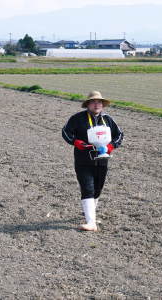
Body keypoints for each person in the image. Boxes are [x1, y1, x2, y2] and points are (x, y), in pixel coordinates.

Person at [62, 91, 123, 231]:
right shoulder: (77, 118)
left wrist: (111, 146)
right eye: (93, 102)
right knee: (87, 188)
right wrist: (75, 142)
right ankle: (91, 223)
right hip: (83, 160)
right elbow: (65, 132)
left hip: (102, 161)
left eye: (99, 102)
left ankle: (91, 216)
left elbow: (119, 135)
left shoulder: (108, 119)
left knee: (97, 190)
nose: (97, 104)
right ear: (88, 104)